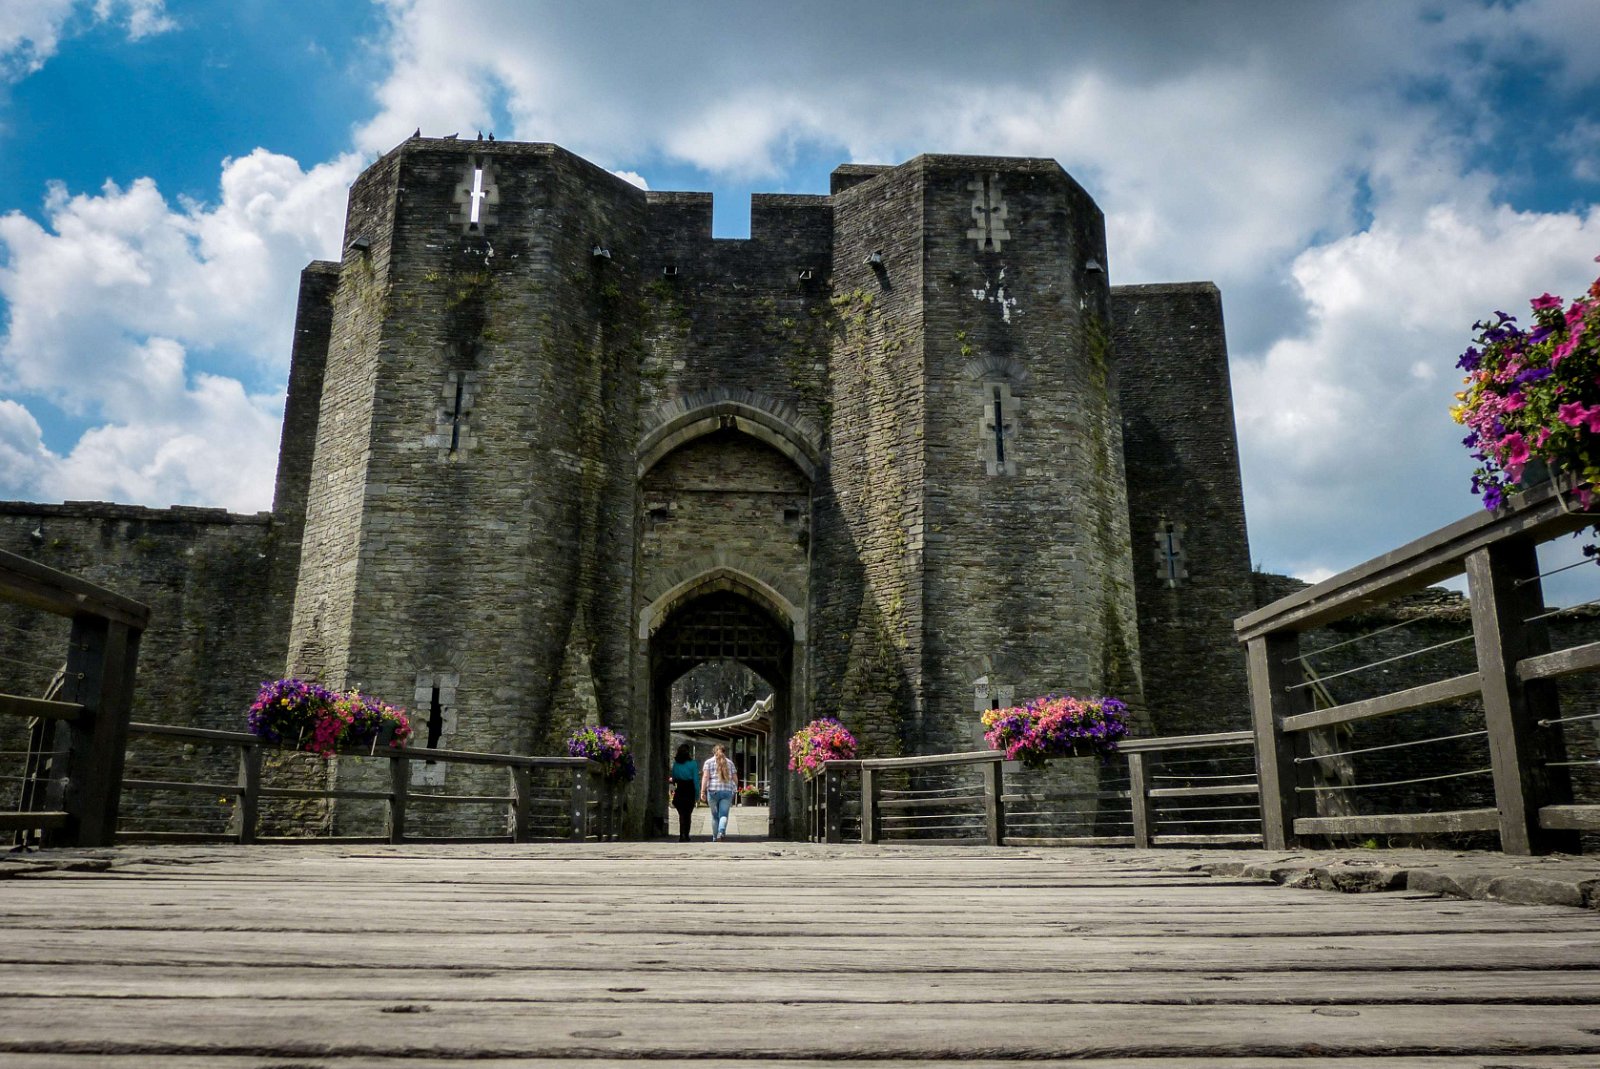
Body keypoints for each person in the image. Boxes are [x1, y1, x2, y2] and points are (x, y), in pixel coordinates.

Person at [700, 743, 737, 842]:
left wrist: (702, 791)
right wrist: (735, 788)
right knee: (724, 815)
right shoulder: (730, 763)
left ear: (714, 752)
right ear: (724, 751)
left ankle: (715, 837)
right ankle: (721, 832)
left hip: (713, 791)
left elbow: (705, 777)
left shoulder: (708, 762)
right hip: (727, 791)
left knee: (714, 816)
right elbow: (735, 778)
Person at [669, 743, 699, 842]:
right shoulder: (693, 764)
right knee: (688, 813)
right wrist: (697, 794)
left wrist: (672, 791)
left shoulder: (676, 764)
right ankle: (686, 834)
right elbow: (696, 780)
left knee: (681, 813)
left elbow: (673, 779)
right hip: (689, 789)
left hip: (680, 789)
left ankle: (682, 834)